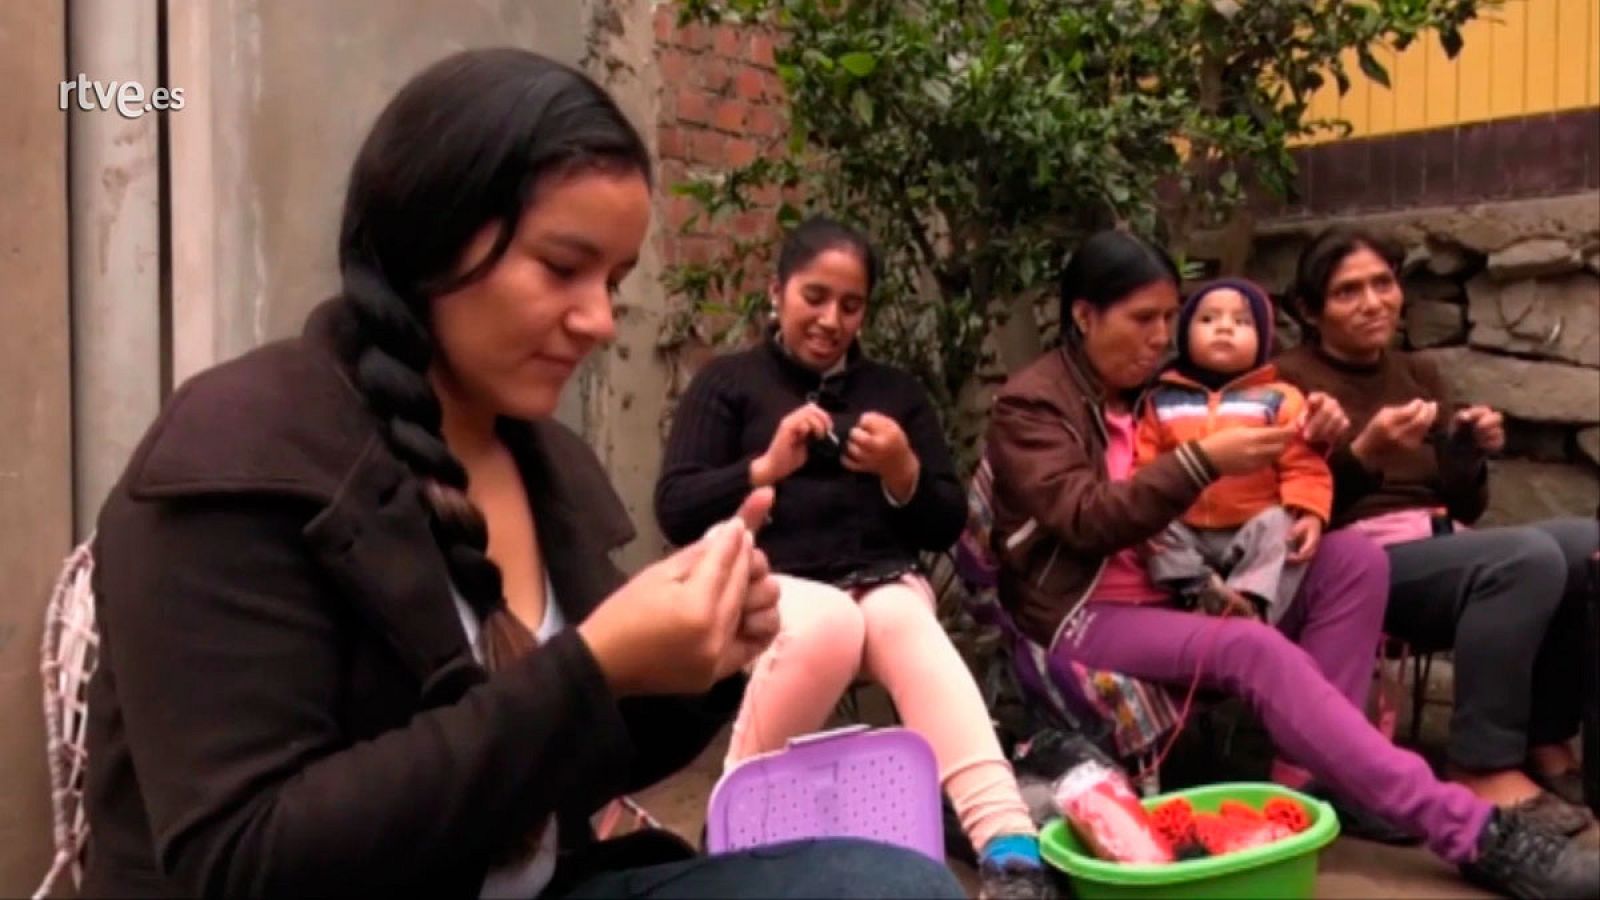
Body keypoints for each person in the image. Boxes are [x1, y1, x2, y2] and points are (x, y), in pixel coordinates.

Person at [80, 50, 966, 900]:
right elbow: (243, 860)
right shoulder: (236, 460)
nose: (600, 320)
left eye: (614, 279)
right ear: (429, 234)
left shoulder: (536, 459)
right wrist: (591, 669)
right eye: (561, 268)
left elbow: (571, 762)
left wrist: (704, 666)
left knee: (891, 880)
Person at [983, 228, 1598, 899]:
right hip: (1091, 607)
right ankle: (1473, 832)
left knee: (1354, 560)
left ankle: (1305, 787)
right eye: (1142, 320)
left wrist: (1313, 487)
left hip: (1189, 588)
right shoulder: (1033, 403)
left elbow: (1258, 483)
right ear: (1083, 315)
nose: (1161, 337)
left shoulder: (1161, 383)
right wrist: (1204, 461)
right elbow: (1086, 517)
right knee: (1251, 649)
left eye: (1168, 318)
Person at [655, 216, 1053, 900]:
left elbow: (945, 520)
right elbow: (675, 507)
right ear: (776, 291)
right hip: (771, 588)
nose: (831, 320)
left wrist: (901, 471)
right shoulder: (729, 384)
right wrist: (762, 468)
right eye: (815, 297)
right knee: (827, 623)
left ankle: (1011, 855)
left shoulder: (895, 392)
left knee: (905, 621)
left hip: (882, 585)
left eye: (851, 305)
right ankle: (727, 828)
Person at [1275, 225, 1600, 838]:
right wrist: (1363, 454)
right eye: (1347, 292)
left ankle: (1544, 737)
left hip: (1438, 545)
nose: (1373, 302)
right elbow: (1289, 512)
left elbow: (1460, 499)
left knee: (1583, 545)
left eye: (1382, 283)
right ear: (1310, 311)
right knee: (1522, 557)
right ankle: (1480, 764)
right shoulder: (1286, 381)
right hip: (1352, 567)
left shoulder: (1417, 372)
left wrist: (1469, 452)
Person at [1135, 278, 1333, 623]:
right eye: (1208, 320)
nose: (1224, 328)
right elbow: (1144, 462)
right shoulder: (1162, 401)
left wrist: (1311, 512)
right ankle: (1197, 589)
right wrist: (1142, 514)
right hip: (1186, 525)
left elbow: (1303, 463)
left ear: (1263, 340)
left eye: (1241, 322)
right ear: (1184, 336)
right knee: (1151, 527)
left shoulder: (1280, 398)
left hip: (1251, 524)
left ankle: (1248, 602)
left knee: (1282, 527)